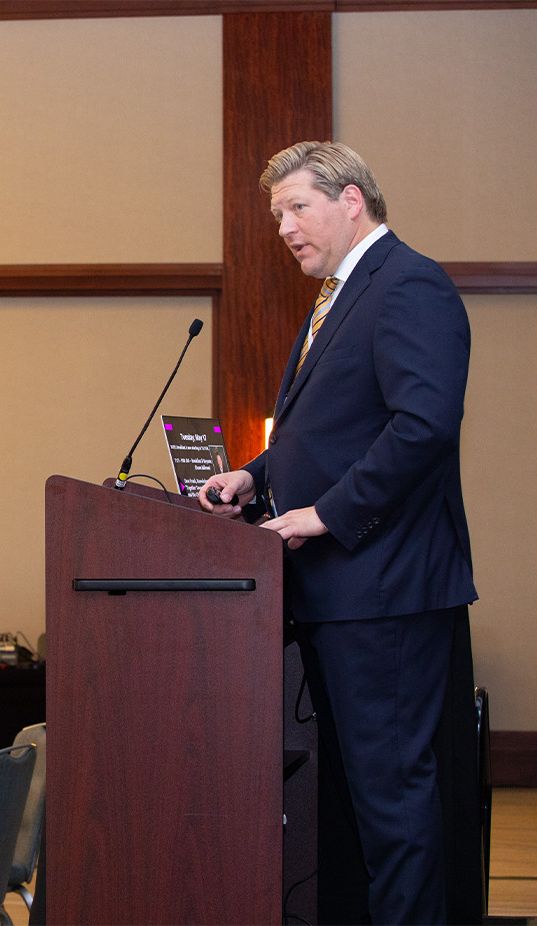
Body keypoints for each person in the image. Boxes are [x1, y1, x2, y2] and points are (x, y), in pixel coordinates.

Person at [200, 141, 478, 924]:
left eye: (296, 207)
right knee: (362, 803)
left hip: (384, 589)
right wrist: (254, 474)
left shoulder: (408, 285)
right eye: (276, 215)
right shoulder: (338, 297)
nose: (283, 227)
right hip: (343, 590)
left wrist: (327, 513)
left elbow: (423, 427)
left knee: (391, 798)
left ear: (351, 199)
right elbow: (324, 429)